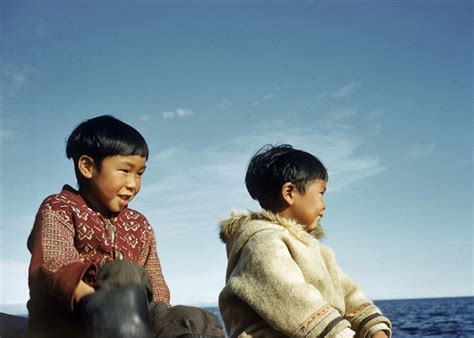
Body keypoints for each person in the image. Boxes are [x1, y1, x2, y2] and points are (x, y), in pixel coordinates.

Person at [27, 115, 224, 338]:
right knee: (122, 272)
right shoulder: (59, 207)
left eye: (139, 174)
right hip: (69, 323)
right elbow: (53, 264)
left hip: (133, 324)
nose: (133, 184)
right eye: (125, 170)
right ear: (87, 166)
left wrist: (166, 321)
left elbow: (156, 285)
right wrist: (102, 305)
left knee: (198, 321)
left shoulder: (139, 224)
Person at [218, 144, 392, 338]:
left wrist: (375, 330)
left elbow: (350, 295)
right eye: (321, 193)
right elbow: (293, 299)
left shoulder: (318, 250)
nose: (324, 205)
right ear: (289, 193)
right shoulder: (262, 242)